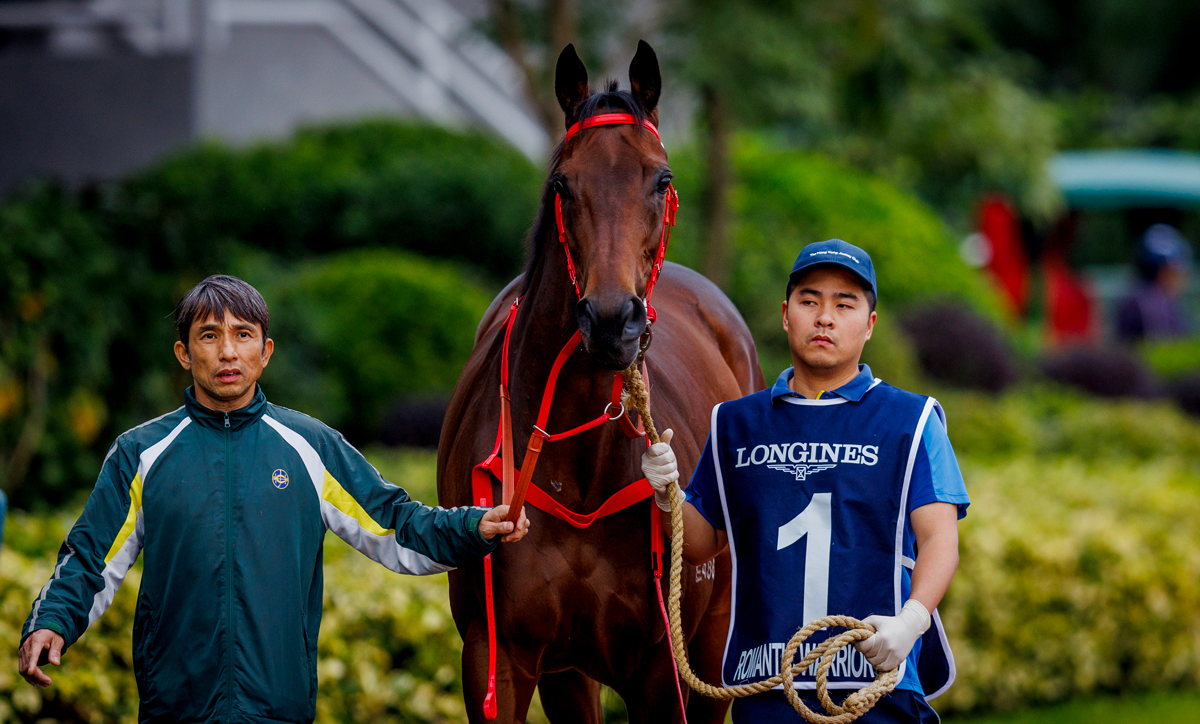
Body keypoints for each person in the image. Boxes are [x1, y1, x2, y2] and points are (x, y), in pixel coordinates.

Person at [17, 275, 529, 723]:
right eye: (209, 336)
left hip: (279, 707)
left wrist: (472, 527)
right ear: (182, 353)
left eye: (243, 335)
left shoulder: (312, 446)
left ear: (265, 351)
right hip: (173, 708)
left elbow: (396, 525)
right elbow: (89, 559)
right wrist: (51, 623)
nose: (227, 352)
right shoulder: (139, 454)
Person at [643, 240, 968, 723]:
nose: (824, 317)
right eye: (810, 300)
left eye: (845, 304)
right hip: (768, 687)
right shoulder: (734, 423)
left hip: (878, 681)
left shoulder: (912, 420)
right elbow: (703, 543)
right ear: (785, 314)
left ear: (870, 325)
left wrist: (912, 621)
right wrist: (666, 495)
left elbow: (939, 538)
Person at [1116, 223, 1192, 342]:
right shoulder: (1157, 306)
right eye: (1177, 272)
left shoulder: (1133, 299)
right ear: (1164, 272)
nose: (1182, 278)